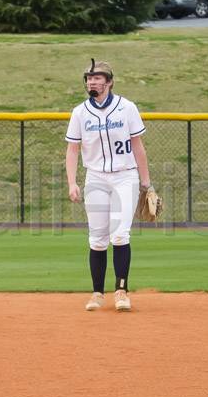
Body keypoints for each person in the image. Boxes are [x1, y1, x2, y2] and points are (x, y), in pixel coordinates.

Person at [65, 60, 153, 312]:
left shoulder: (127, 108)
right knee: (98, 238)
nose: (92, 81)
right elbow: (72, 150)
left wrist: (145, 182)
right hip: (95, 178)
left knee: (120, 235)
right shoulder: (80, 112)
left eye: (97, 77)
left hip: (126, 176)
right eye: (89, 78)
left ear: (109, 81)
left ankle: (121, 291)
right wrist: (72, 182)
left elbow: (138, 146)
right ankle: (97, 294)